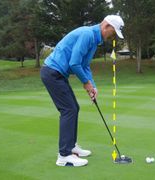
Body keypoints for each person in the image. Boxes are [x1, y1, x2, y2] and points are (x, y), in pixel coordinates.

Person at [40, 15, 124, 167]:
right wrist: (86, 83)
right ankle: (64, 155)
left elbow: (84, 65)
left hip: (57, 73)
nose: (111, 37)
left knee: (74, 108)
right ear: (105, 26)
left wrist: (92, 86)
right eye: (112, 33)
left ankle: (71, 147)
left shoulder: (94, 40)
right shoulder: (87, 34)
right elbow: (74, 63)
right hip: (52, 72)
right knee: (69, 109)